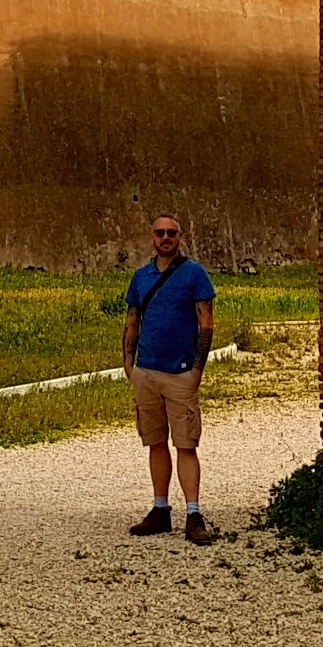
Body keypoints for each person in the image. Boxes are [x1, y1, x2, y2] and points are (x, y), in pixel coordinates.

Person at [122, 213, 217, 542]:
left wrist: (197, 371)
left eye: (171, 233)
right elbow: (132, 320)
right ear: (152, 237)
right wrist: (129, 365)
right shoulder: (141, 277)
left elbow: (206, 323)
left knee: (186, 444)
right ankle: (160, 509)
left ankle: (194, 513)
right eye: (160, 233)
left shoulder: (194, 273)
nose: (166, 238)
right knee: (155, 442)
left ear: (180, 237)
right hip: (147, 371)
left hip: (180, 373)